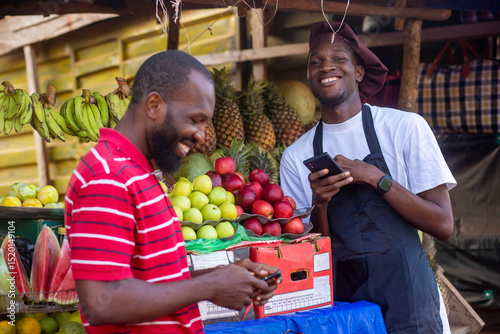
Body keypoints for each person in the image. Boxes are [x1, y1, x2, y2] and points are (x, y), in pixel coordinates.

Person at [65, 50, 281, 333]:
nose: (202, 135)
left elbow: (152, 276)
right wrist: (209, 285)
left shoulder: (140, 173)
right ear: (154, 105)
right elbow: (101, 303)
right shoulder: (108, 177)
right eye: (195, 119)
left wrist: (224, 277)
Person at [280, 21, 456, 333]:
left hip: (411, 305)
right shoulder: (296, 156)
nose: (326, 67)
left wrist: (377, 178)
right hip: (346, 314)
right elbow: (310, 259)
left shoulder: (404, 128)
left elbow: (442, 225)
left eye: (338, 59)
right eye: (316, 61)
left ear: (359, 72)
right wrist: (319, 205)